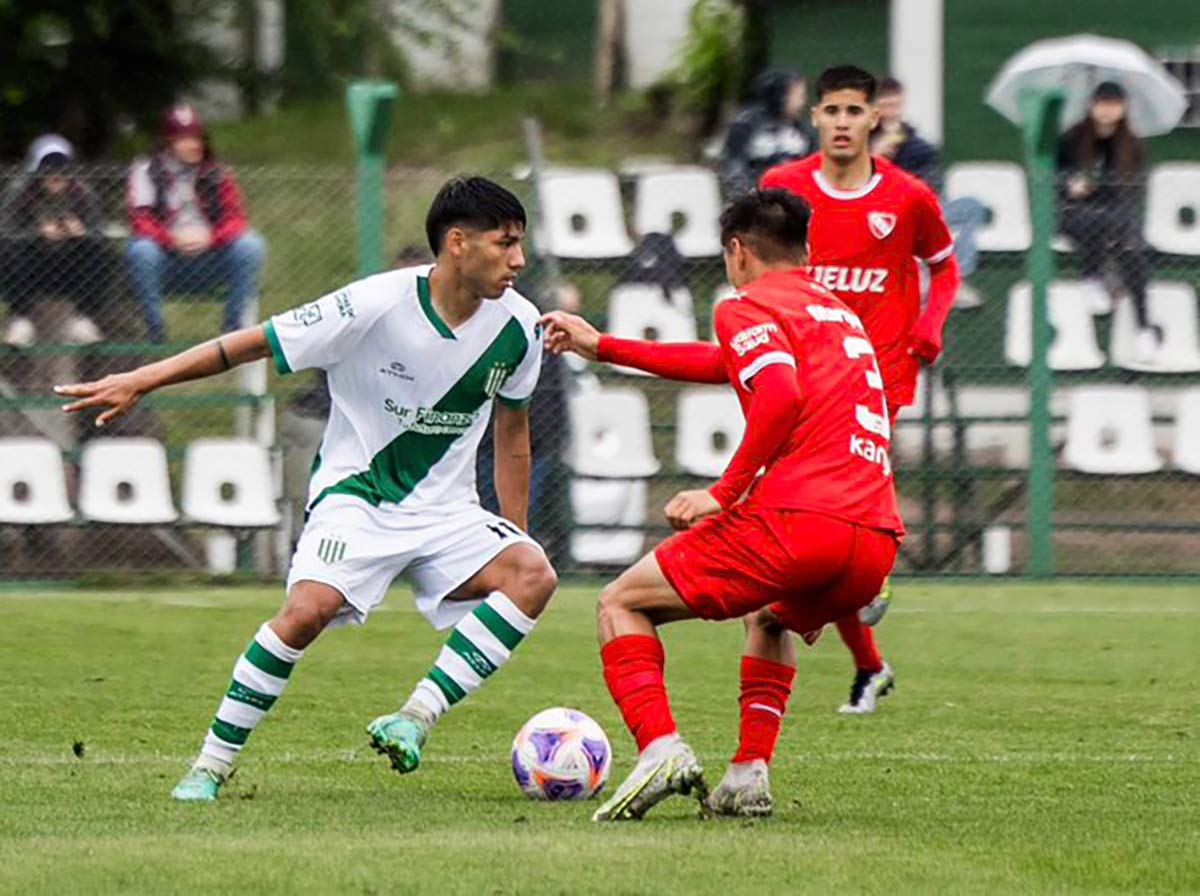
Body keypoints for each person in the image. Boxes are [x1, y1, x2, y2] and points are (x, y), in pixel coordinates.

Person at [57, 176, 557, 802]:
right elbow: (251, 344)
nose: (518, 260)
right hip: (358, 498)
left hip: (447, 510)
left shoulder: (520, 326)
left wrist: (513, 530)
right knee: (304, 613)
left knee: (533, 573)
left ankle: (416, 716)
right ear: (457, 243)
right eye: (505, 244)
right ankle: (208, 768)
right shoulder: (372, 304)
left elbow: (514, 436)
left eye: (521, 245)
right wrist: (144, 377)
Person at [541, 189, 903, 820]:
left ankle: (660, 749)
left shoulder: (747, 304)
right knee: (769, 617)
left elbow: (780, 395)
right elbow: (724, 365)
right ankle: (747, 774)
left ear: (737, 252)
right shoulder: (838, 315)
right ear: (806, 250)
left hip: (799, 519)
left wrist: (722, 492)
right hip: (873, 539)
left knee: (620, 602)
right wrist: (604, 346)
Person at [761, 65, 960, 714]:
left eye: (855, 111)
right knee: (819, 530)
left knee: (835, 512)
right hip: (802, 374)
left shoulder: (907, 197)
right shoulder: (782, 188)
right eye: (831, 111)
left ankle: (873, 579)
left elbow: (945, 267)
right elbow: (759, 268)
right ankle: (869, 663)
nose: (843, 122)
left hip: (878, 375)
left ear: (876, 118)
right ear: (813, 118)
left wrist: (928, 327)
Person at [125, 103, 266, 342]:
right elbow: (140, 220)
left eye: (198, 138)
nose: (195, 144)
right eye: (186, 138)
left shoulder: (217, 172)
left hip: (209, 258)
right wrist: (171, 239)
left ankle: (231, 333)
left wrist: (212, 237)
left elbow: (237, 219)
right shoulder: (146, 170)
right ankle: (156, 334)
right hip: (166, 261)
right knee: (141, 250)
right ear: (169, 142)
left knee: (251, 246)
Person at [1057, 81, 1157, 360]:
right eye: (1102, 103)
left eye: (1114, 104)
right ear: (1091, 105)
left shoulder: (1131, 143)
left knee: (1133, 252)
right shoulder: (1072, 138)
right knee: (1098, 223)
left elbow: (1134, 188)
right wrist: (1070, 185)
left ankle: (1143, 327)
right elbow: (1053, 178)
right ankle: (1093, 277)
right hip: (1074, 213)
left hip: (1115, 216)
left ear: (1123, 108)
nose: (1107, 110)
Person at [872, 76, 986, 308]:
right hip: (880, 214)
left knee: (971, 206)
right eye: (885, 105)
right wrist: (876, 153)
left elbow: (932, 178)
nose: (891, 111)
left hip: (920, 207)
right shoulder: (861, 140)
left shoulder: (916, 144)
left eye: (896, 105)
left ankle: (956, 277)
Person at [1, 134, 110, 347]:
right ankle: (20, 319)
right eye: (49, 170)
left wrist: (81, 233)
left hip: (70, 267)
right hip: (31, 267)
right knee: (9, 250)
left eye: (61, 169)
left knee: (99, 251)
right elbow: (5, 232)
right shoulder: (20, 192)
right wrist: (37, 233)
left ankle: (83, 319)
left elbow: (99, 234)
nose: (56, 176)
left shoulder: (82, 193)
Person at [718, 69, 817, 198]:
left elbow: (813, 168)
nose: (802, 102)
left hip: (793, 202)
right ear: (781, 95)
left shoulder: (803, 132)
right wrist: (750, 197)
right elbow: (733, 166)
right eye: (798, 96)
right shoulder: (747, 125)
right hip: (754, 200)